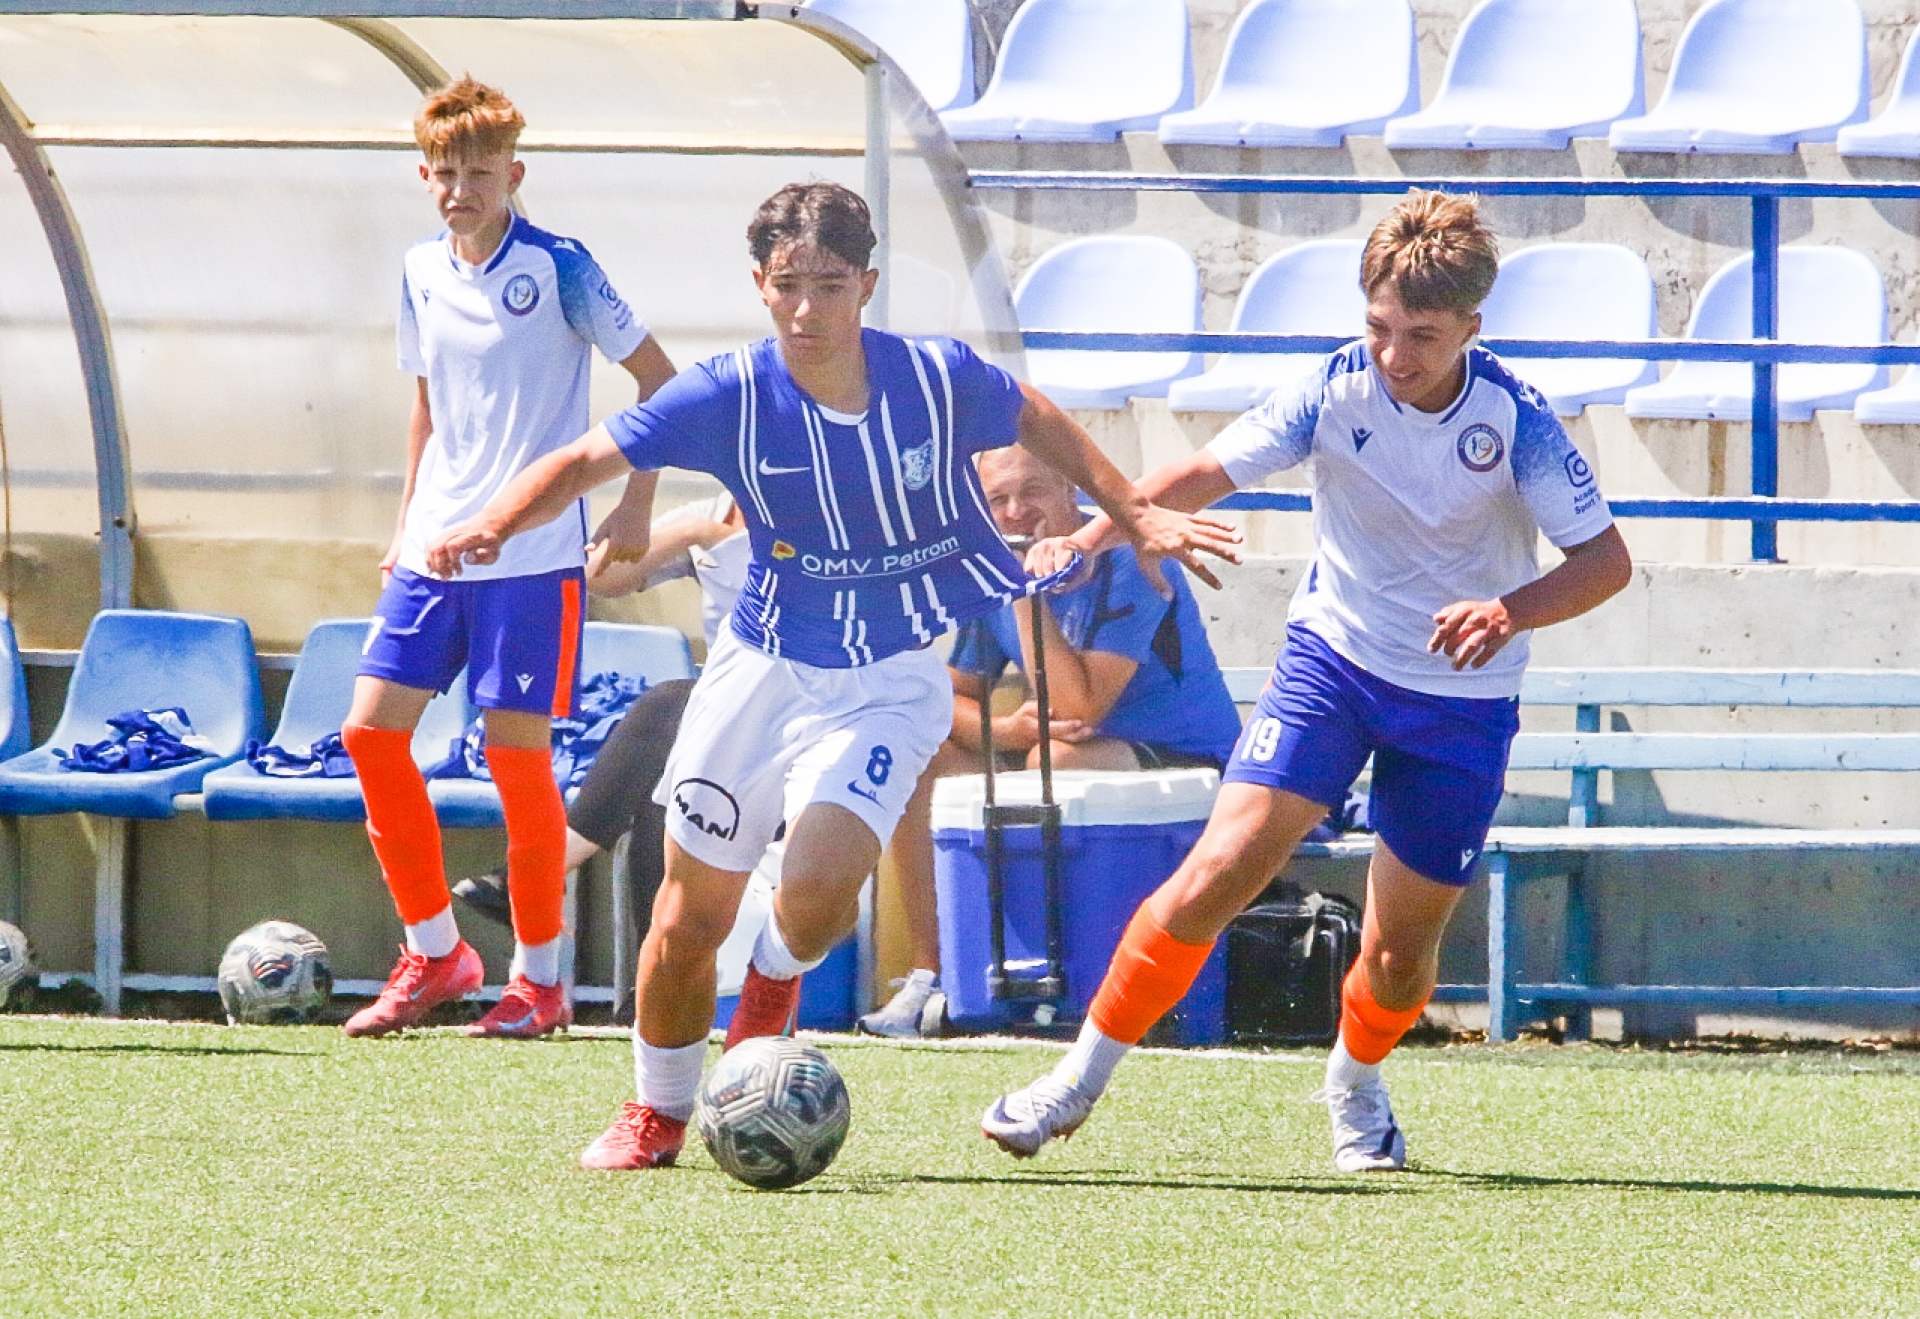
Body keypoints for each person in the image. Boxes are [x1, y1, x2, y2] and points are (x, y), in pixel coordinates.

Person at [425, 181, 1240, 1171]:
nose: (806, 309)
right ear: (759, 285)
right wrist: (491, 523)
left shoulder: (934, 378)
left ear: (868, 284)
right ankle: (658, 1112)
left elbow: (1035, 414)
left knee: (814, 890)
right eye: (787, 285)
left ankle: (773, 986)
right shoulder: (728, 391)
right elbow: (587, 457)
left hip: (890, 679)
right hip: (763, 670)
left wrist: (1133, 508)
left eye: (829, 285)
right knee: (688, 915)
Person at [981, 190, 1633, 1172]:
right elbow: (1201, 473)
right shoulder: (1331, 389)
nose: (1394, 354)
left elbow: (1605, 561)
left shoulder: (1516, 419)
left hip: (1460, 699)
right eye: (1379, 326)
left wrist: (1507, 610)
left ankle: (1356, 1081)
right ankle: (1073, 1080)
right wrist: (1088, 537)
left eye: (1421, 336)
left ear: (1471, 328)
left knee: (1398, 959)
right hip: (1333, 665)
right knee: (1216, 869)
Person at [339, 77, 677, 1040]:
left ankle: (539, 980)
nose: (461, 190)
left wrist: (636, 501)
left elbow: (660, 382)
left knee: (515, 761)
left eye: (479, 174)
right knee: (370, 736)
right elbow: (427, 405)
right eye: (445, 174)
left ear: (514, 175)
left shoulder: (562, 267)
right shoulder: (419, 269)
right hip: (433, 555)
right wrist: (405, 523)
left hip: (532, 557)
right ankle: (436, 952)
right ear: (425, 177)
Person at [859, 444, 1243, 1037]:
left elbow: (1079, 708)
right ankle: (933, 977)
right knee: (928, 758)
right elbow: (948, 697)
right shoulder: (988, 571)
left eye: (1033, 491)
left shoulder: (1131, 560)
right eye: (998, 499)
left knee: (1054, 762)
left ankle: (1080, 977)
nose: (1016, 511)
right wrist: (1002, 730)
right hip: (1076, 754)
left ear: (1070, 491)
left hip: (1194, 762)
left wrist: (1022, 591)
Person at [451, 495, 750, 1026]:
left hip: (794, 714)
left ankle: (533, 876)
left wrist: (716, 540)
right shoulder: (712, 508)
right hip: (721, 721)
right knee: (661, 798)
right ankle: (648, 998)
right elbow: (600, 576)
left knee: (669, 702)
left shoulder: (818, 514)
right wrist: (690, 531)